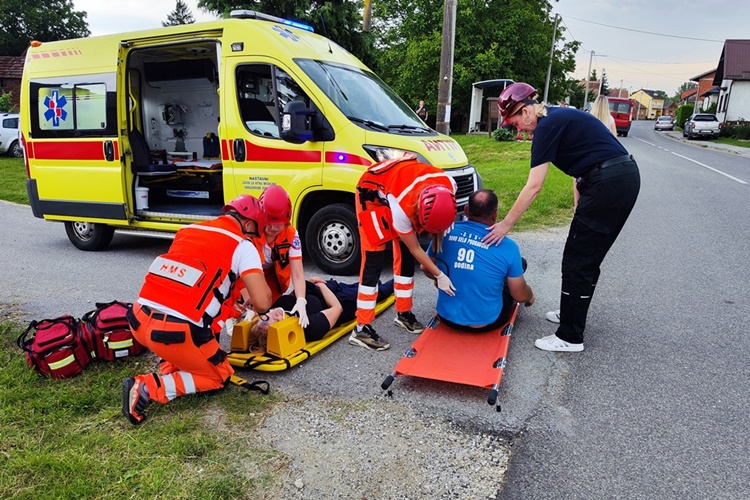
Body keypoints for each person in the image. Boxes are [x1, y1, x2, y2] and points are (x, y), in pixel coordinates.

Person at [485, 82, 640, 353]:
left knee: (578, 260)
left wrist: (506, 224)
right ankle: (571, 314)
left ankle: (570, 336)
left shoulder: (546, 127)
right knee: (584, 255)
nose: (517, 130)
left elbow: (534, 185)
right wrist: (579, 206)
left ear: (525, 112)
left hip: (609, 182)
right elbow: (580, 165)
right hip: (614, 179)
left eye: (514, 123)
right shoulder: (555, 118)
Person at [122, 194, 273, 425]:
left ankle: (173, 365)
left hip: (139, 321)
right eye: (255, 233)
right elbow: (262, 302)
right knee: (219, 375)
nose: (255, 238)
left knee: (195, 329)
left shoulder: (189, 229)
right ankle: (149, 387)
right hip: (174, 333)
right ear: (250, 224)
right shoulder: (243, 245)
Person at [351, 154, 458, 351]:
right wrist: (438, 274)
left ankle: (403, 313)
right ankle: (361, 328)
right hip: (371, 193)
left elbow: (438, 230)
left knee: (405, 260)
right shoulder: (402, 208)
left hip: (399, 186)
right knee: (374, 259)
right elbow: (415, 247)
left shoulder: (449, 185)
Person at [424, 189, 534, 331]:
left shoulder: (446, 231)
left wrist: (439, 277)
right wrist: (530, 295)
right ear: (495, 214)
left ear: (466, 210)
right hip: (486, 323)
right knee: (520, 263)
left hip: (447, 318)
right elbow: (519, 296)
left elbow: (425, 267)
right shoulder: (508, 246)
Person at [248, 278, 394, 349]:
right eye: (276, 319)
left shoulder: (278, 308)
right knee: (377, 292)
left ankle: (373, 282)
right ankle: (397, 281)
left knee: (369, 281)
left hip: (326, 289)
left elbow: (294, 294)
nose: (274, 313)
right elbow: (337, 308)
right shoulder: (310, 328)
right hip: (342, 301)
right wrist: (321, 286)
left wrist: (308, 282)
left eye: (268, 316)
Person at [257, 184, 309, 328]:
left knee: (267, 306)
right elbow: (239, 272)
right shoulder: (252, 231)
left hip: (270, 275)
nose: (273, 228)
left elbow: (297, 273)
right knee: (251, 306)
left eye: (278, 224)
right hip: (248, 275)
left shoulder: (291, 235)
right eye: (269, 223)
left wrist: (301, 301)